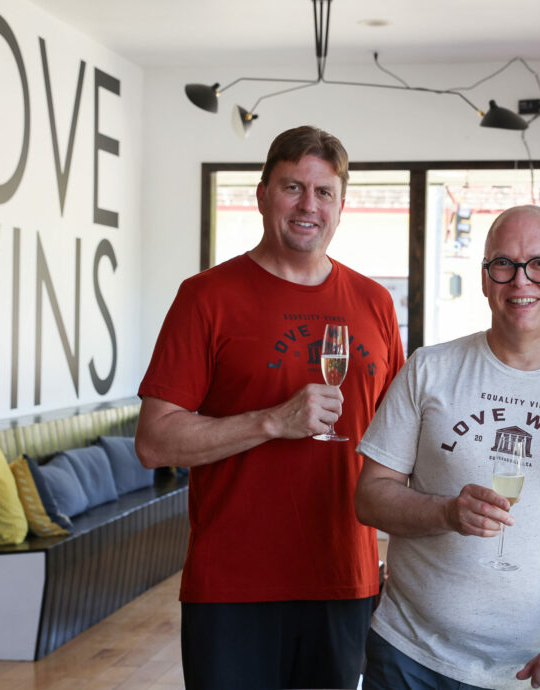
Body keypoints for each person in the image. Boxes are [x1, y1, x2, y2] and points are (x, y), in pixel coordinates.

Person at [135, 125, 405, 689]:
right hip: (233, 584)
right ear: (262, 195)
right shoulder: (205, 297)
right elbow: (154, 441)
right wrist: (272, 422)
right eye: (292, 187)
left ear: (341, 206)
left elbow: (401, 445)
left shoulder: (374, 303)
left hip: (344, 577)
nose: (309, 205)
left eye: (324, 192)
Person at [355, 205, 540, 690]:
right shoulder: (429, 369)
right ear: (485, 280)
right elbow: (369, 496)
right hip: (409, 656)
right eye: (503, 264)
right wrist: (446, 513)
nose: (521, 281)